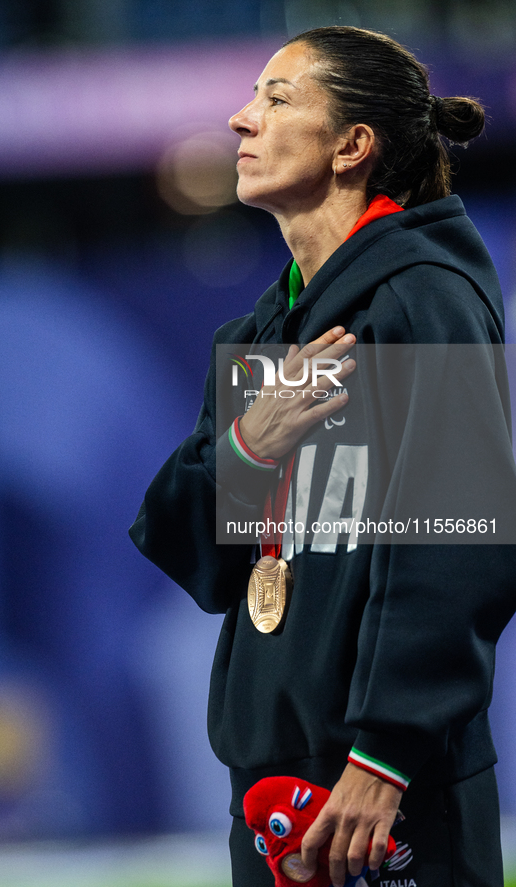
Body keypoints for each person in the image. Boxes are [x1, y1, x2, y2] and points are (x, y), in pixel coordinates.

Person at [130, 26, 516, 887]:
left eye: (275, 98)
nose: (239, 119)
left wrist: (384, 755)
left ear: (352, 145)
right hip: (267, 789)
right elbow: (190, 550)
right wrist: (245, 444)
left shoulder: (425, 298)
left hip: (383, 788)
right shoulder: (261, 335)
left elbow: (459, 542)